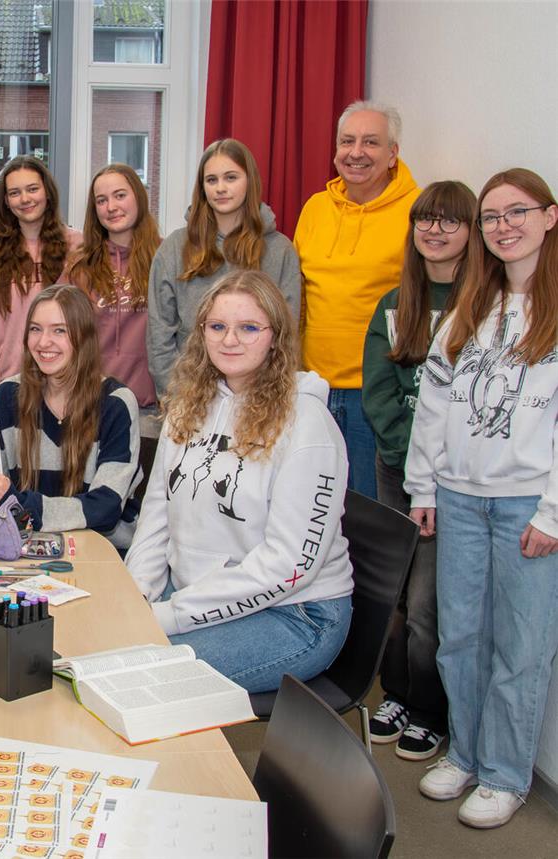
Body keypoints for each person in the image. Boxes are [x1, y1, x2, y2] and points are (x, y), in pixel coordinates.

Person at [406, 169, 558, 829]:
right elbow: (433, 406)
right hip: (460, 500)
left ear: (549, 217)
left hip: (528, 504)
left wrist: (554, 512)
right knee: (459, 637)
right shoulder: (472, 306)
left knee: (520, 647)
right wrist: (424, 484)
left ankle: (505, 774)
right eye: (492, 216)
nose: (502, 226)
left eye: (516, 212)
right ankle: (466, 754)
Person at [126, 271, 353, 694]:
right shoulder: (190, 406)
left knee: (144, 677)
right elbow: (156, 515)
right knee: (103, 644)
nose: (230, 340)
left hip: (294, 614)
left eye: (249, 328)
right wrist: (138, 594)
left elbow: (288, 567)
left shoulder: (308, 425)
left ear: (275, 337)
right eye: (217, 327)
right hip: (197, 592)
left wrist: (171, 615)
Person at [362, 181, 476, 761]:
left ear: (470, 230)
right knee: (395, 591)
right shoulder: (393, 304)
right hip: (396, 469)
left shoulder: (484, 303)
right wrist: (409, 458)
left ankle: (431, 708)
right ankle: (397, 692)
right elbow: (379, 392)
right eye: (425, 220)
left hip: (451, 478)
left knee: (429, 600)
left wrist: (432, 466)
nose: (434, 230)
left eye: (449, 221)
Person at [0, 284, 140, 545]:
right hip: (24, 545)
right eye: (35, 329)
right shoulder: (7, 396)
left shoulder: (116, 404)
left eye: (59, 330)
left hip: (100, 550)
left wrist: (17, 503)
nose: (43, 342)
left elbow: (106, 508)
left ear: (84, 337)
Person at [294, 101, 420, 499]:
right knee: (312, 512)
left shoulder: (416, 211)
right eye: (347, 141)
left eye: (371, 142)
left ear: (393, 153)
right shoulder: (315, 208)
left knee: (369, 516)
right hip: (312, 389)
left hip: (377, 394)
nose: (356, 152)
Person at [146, 138, 299, 395]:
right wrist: (180, 399)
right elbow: (159, 336)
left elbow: (287, 335)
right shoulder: (174, 248)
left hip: (258, 398)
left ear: (249, 181)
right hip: (189, 396)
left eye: (230, 178)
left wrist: (263, 400)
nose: (220, 188)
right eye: (211, 180)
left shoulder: (280, 250)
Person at [0, 156, 82, 412]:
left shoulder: (77, 246)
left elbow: (86, 323)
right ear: (6, 202)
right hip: (8, 388)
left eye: (33, 189)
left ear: (47, 193)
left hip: (67, 388)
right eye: (15, 193)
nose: (25, 199)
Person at [67, 162, 162, 421]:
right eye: (101, 200)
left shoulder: (165, 258)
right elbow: (65, 334)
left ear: (138, 197)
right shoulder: (79, 266)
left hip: (154, 409)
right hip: (94, 406)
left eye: (120, 195)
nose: (111, 207)